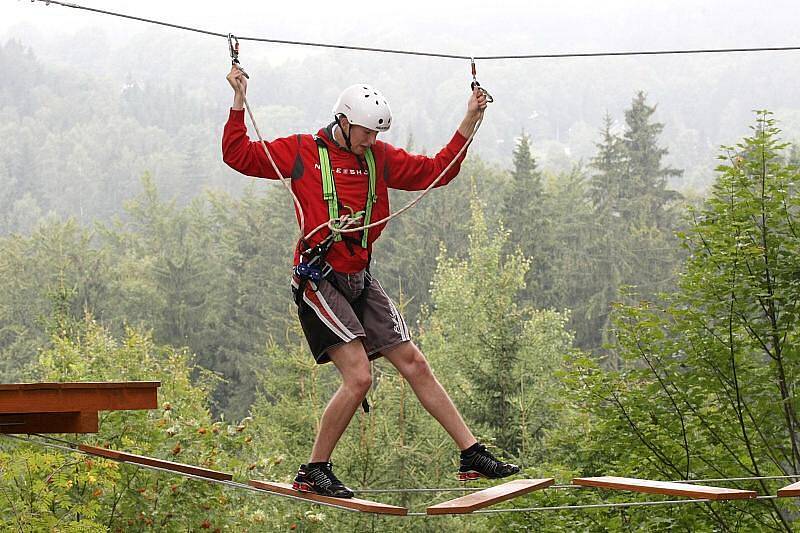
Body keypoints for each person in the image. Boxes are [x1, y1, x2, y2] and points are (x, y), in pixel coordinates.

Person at [222, 65, 520, 498]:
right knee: (359, 377)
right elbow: (239, 155)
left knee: (414, 362)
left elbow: (439, 170)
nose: (371, 142)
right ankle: (314, 470)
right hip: (317, 279)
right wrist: (237, 100)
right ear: (343, 122)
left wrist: (470, 119)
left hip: (359, 278)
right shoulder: (304, 150)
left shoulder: (378, 158)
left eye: (377, 134)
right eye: (365, 133)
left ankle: (470, 453)